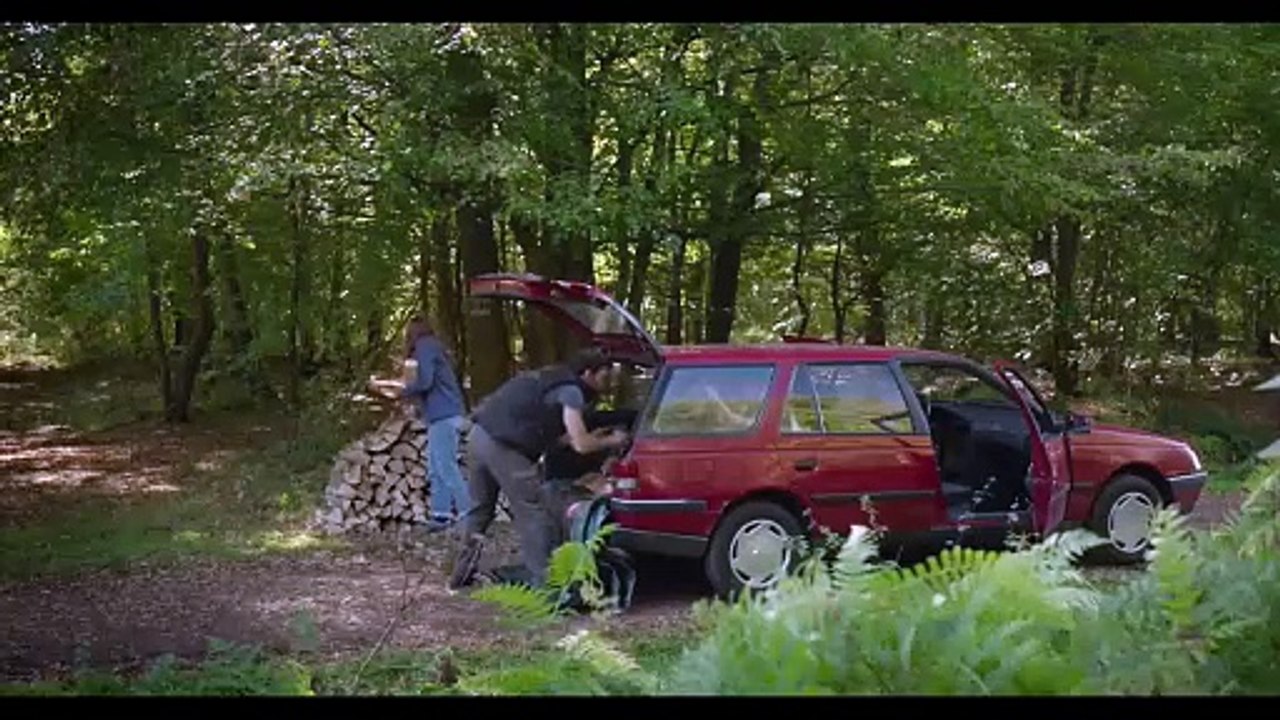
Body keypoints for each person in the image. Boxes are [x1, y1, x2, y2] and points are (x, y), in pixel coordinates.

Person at [448, 347, 629, 591]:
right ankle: (547, 589)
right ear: (588, 373)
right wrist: (612, 440)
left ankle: (460, 577)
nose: (608, 382)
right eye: (605, 376)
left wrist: (587, 434)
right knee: (534, 512)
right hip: (505, 448)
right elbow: (581, 445)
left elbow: (549, 433)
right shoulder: (572, 391)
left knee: (480, 511)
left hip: (479, 436)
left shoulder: (550, 377)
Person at [399, 316, 471, 533]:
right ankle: (441, 514)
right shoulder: (433, 346)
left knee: (445, 466)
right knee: (435, 466)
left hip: (444, 414)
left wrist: (403, 392)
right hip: (442, 414)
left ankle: (469, 513)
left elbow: (425, 381)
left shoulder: (425, 347)